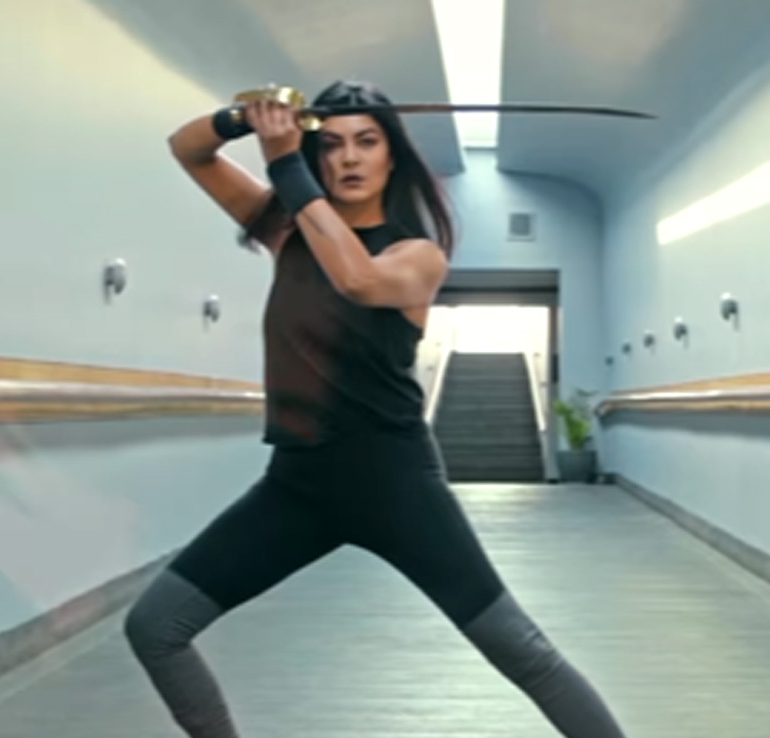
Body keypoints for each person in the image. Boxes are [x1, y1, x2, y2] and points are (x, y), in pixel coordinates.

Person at [122, 79, 628, 738]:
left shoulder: (417, 254)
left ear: (393, 156)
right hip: (297, 484)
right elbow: (187, 147)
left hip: (393, 482)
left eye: (367, 141)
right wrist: (246, 116)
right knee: (155, 626)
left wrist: (286, 162)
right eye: (331, 145)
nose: (349, 158)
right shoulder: (287, 230)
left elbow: (357, 279)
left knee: (519, 648)